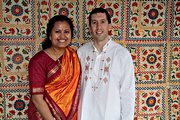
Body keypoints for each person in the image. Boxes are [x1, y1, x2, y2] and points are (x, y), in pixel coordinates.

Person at [77, 7, 135, 120]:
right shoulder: (81, 53)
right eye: (94, 22)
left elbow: (128, 93)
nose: (98, 27)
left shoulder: (122, 54)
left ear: (109, 26)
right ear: (90, 27)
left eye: (102, 22)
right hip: (84, 116)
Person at [28, 15, 81, 120]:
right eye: (57, 32)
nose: (62, 36)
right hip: (44, 116)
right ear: (50, 35)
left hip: (71, 115)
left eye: (66, 32)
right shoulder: (38, 61)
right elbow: (37, 98)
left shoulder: (74, 56)